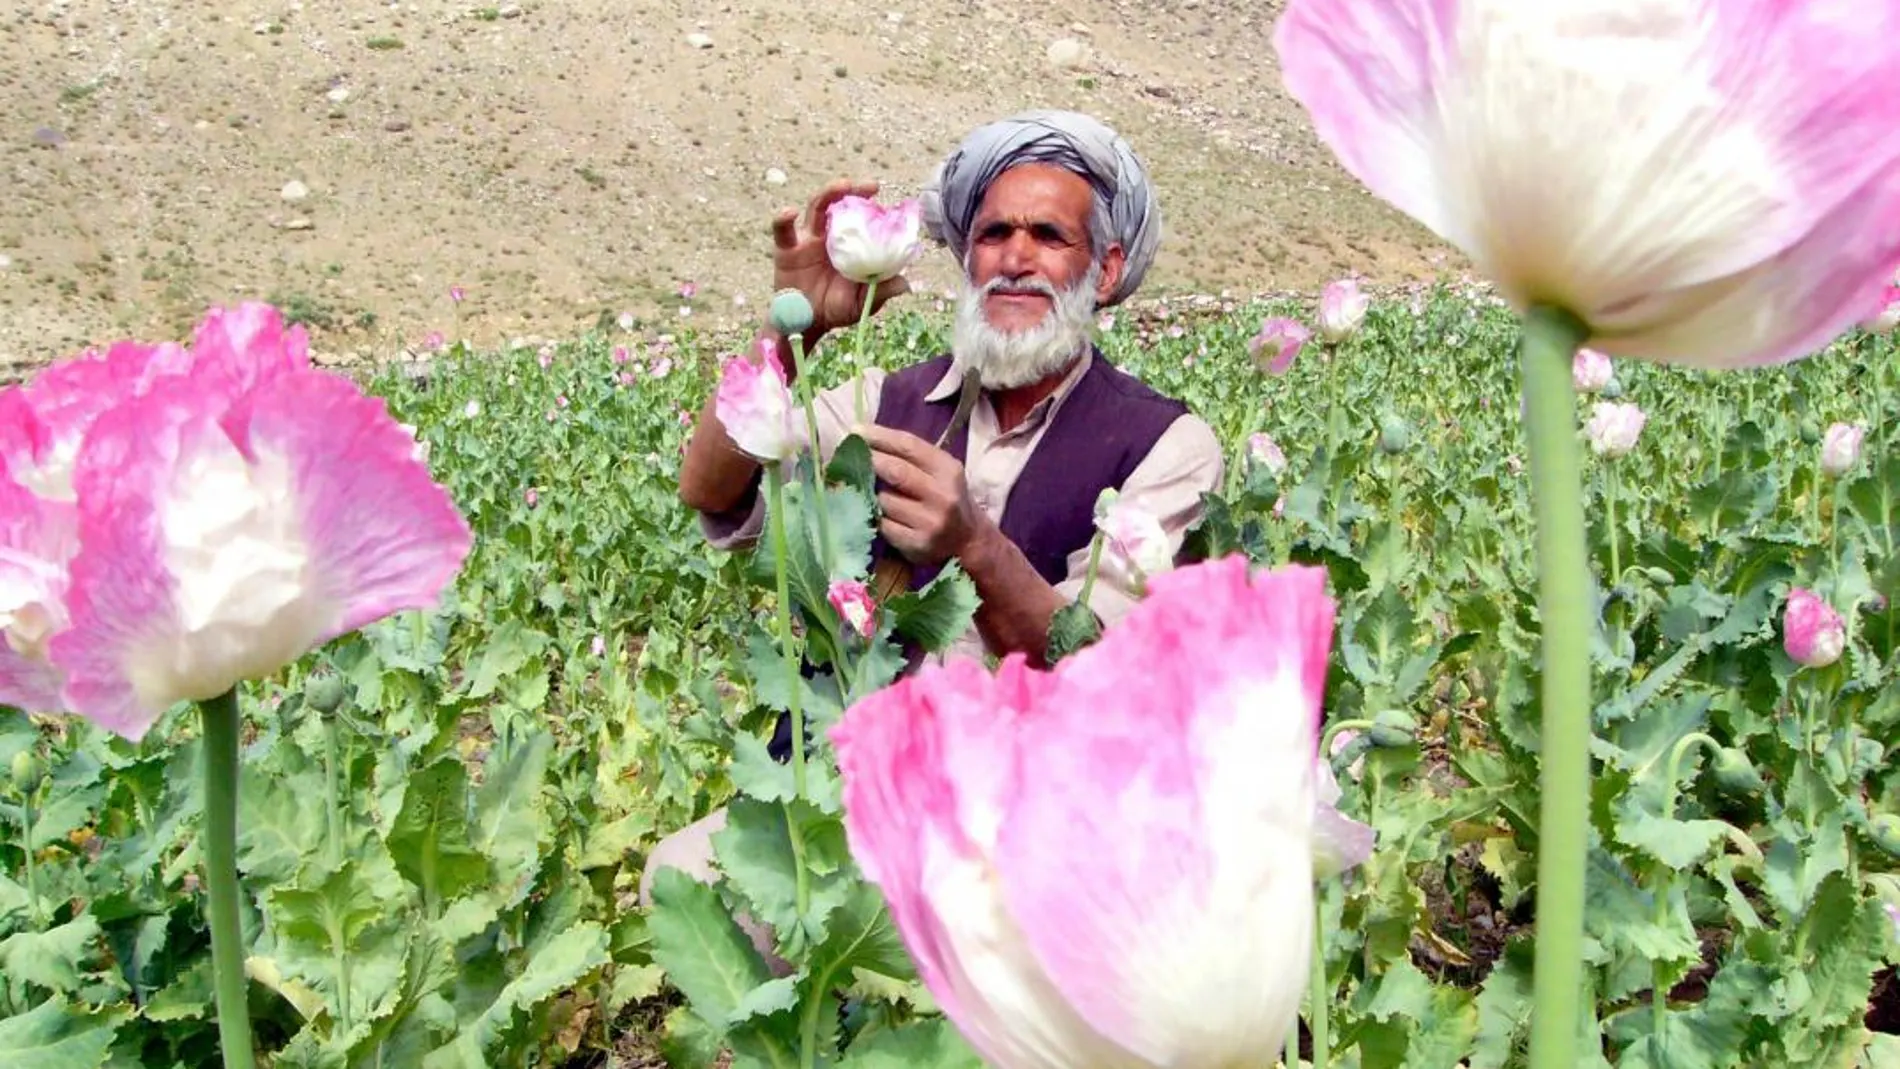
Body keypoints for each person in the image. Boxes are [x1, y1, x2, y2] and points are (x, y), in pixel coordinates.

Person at [643, 110, 1224, 931]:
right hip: (861, 798)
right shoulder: (887, 402)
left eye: (1050, 236)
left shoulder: (1163, 443)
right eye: (993, 234)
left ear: (1105, 267)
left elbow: (1104, 675)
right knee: (684, 879)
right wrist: (785, 334)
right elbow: (712, 489)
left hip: (1034, 826)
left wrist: (975, 545)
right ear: (965, 256)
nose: (1015, 258)